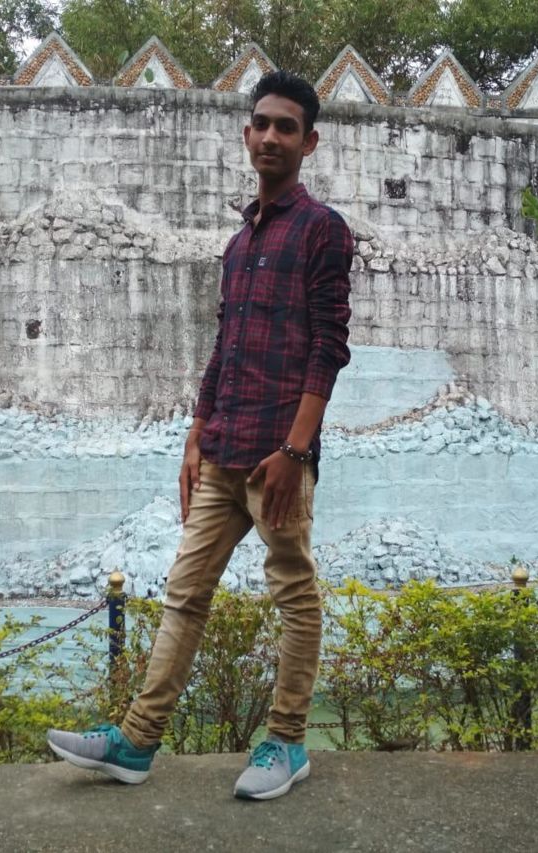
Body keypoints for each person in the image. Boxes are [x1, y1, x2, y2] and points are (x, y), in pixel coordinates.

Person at [47, 69, 353, 800]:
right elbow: (226, 346)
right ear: (246, 135)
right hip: (222, 449)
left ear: (309, 142)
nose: (271, 136)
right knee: (184, 594)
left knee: (293, 594)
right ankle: (136, 742)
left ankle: (286, 742)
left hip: (278, 456)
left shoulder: (322, 229)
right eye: (262, 124)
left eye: (286, 127)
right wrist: (195, 434)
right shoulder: (238, 243)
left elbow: (329, 346)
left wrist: (296, 450)